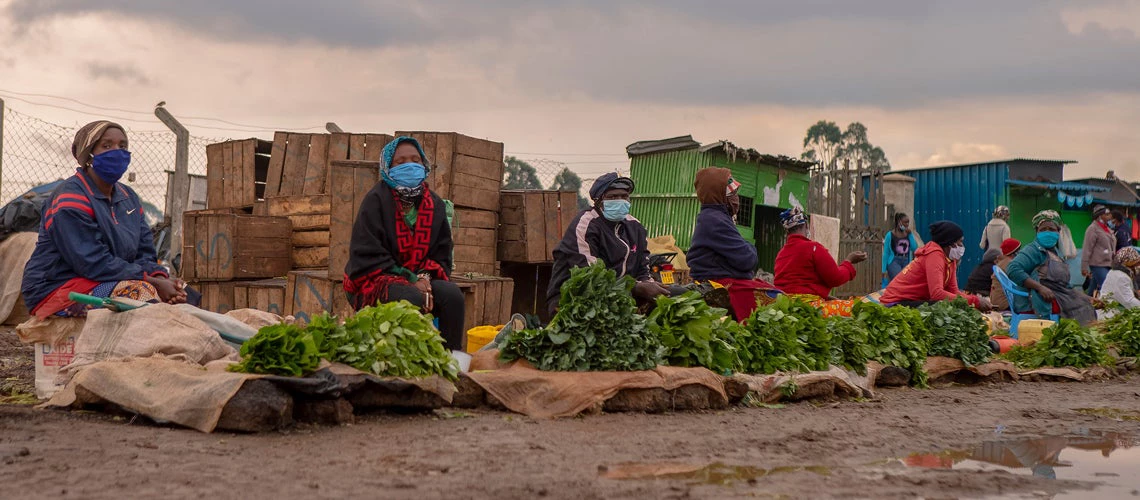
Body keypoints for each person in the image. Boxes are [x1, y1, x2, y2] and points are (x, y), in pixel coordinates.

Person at [22, 120, 189, 319]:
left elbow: (145, 253)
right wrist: (151, 282)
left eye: (123, 146)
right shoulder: (70, 198)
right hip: (59, 287)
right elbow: (92, 262)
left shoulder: (129, 198)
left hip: (110, 279)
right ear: (89, 155)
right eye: (107, 145)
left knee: (190, 299)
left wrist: (161, 277)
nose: (117, 151)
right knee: (141, 295)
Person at [343, 136, 465, 350]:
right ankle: (404, 357)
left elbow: (441, 253)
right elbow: (368, 255)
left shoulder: (433, 204)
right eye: (400, 162)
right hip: (373, 279)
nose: (410, 166)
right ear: (388, 168)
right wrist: (409, 279)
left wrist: (425, 276)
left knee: (452, 296)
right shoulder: (376, 201)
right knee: (411, 297)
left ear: (424, 164)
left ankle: (451, 360)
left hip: (419, 276)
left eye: (415, 160)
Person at [547, 172, 676, 315]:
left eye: (624, 196)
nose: (620, 200)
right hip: (576, 301)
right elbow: (590, 276)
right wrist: (635, 287)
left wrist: (649, 286)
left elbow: (643, 270)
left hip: (620, 301)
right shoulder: (586, 225)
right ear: (598, 200)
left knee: (675, 296)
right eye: (613, 197)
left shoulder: (635, 227)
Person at [688, 168, 777, 320]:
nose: (736, 198)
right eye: (732, 194)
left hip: (723, 279)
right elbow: (748, 259)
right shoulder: (715, 220)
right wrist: (749, 247)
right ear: (720, 196)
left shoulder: (715, 217)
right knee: (777, 299)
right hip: (719, 283)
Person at [1007, 210, 1096, 326]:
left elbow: (1065, 286)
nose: (1047, 232)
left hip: (1060, 294)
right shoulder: (1033, 250)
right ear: (1036, 232)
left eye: (1052, 229)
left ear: (1058, 232)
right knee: (1081, 308)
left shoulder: (1056, 253)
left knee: (1086, 304)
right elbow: (1013, 269)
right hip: (1036, 299)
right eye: (1043, 230)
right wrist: (1040, 287)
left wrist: (1087, 297)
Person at [774, 206, 867, 317]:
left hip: (785, 308)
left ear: (787, 231)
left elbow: (797, 286)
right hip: (809, 308)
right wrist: (849, 261)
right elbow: (836, 278)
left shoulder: (781, 254)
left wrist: (827, 297)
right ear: (806, 225)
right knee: (859, 309)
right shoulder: (813, 248)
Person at [880, 221, 991, 311]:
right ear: (950, 243)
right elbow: (937, 294)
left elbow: (954, 291)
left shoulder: (950, 260)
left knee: (954, 305)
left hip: (913, 300)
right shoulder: (934, 255)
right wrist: (974, 301)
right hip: (895, 302)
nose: (962, 246)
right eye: (960, 242)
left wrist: (974, 301)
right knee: (942, 307)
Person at [1081, 204, 1116, 294]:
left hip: (1108, 263)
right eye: (1106, 214)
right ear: (1100, 216)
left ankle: (1086, 305)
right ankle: (1106, 307)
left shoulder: (1108, 229)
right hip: (1097, 264)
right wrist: (1084, 266)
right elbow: (1087, 248)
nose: (1109, 216)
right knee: (1107, 288)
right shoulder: (1092, 229)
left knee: (1092, 290)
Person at [882, 213, 918, 288]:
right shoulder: (890, 235)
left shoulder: (908, 234)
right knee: (898, 281)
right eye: (905, 222)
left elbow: (914, 248)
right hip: (894, 261)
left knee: (905, 283)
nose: (907, 224)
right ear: (899, 222)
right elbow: (886, 253)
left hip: (906, 261)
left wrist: (910, 235)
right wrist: (883, 270)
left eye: (908, 222)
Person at [989, 238, 1022, 311]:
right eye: (1019, 250)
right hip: (1005, 303)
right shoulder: (1011, 264)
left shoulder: (1002, 262)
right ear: (1014, 252)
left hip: (996, 301)